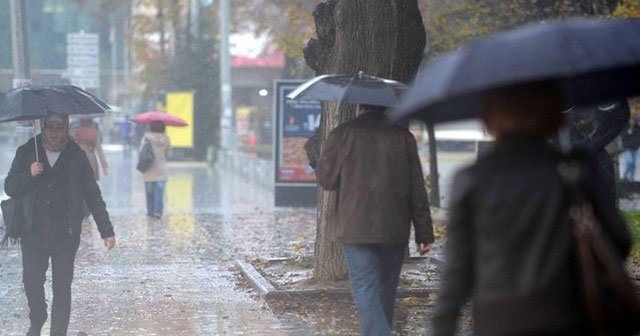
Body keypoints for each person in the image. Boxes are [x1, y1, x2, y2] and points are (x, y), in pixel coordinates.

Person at [432, 84, 632, 336]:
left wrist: (443, 325)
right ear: (553, 116)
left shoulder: (473, 180)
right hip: (566, 316)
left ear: (491, 119)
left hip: (499, 320)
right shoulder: (575, 170)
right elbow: (619, 240)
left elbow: (457, 270)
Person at [314, 104, 434, 336]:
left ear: (359, 106)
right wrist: (424, 232)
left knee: (364, 286)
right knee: (386, 289)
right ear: (386, 106)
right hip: (394, 227)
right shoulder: (403, 137)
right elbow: (417, 188)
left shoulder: (342, 134)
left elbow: (327, 180)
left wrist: (318, 158)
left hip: (355, 226)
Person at [4, 115, 116, 336]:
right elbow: (10, 186)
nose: (54, 132)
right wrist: (29, 174)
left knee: (62, 288)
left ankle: (58, 332)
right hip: (32, 232)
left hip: (66, 233)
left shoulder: (76, 156)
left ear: (66, 128)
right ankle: (37, 318)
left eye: (59, 127)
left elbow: (92, 194)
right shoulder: (28, 151)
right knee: (32, 282)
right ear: (43, 127)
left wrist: (107, 230)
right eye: (49, 127)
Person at [140, 120, 171, 219]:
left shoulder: (146, 138)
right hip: (161, 170)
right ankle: (158, 211)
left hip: (149, 170)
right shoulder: (166, 139)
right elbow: (168, 155)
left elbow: (141, 151)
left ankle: (150, 212)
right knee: (159, 193)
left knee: (149, 193)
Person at [621, 116, 640, 181]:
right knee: (631, 163)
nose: (632, 121)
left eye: (633, 120)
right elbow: (623, 136)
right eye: (631, 120)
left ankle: (627, 177)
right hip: (628, 147)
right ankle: (629, 178)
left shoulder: (637, 127)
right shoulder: (626, 127)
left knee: (632, 164)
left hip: (635, 147)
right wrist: (627, 132)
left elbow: (638, 136)